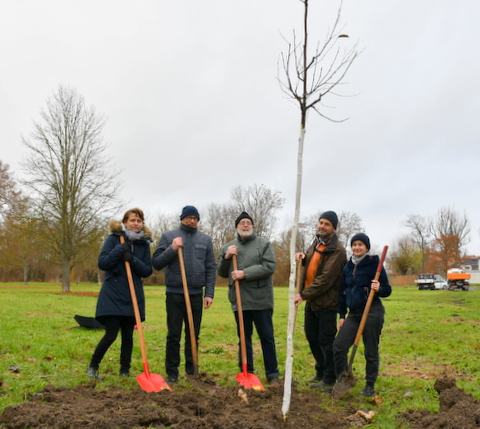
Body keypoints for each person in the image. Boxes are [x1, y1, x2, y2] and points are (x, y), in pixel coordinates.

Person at [152, 205, 216, 383]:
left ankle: (192, 370)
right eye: (188, 217)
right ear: (182, 219)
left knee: (193, 334)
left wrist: (209, 293)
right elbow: (156, 263)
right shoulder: (169, 236)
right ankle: (172, 372)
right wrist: (172, 248)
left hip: (196, 294)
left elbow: (211, 267)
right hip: (174, 294)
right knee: (174, 334)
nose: (192, 220)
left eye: (195, 218)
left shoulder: (205, 240)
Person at [87, 208, 153, 378]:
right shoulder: (114, 239)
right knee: (111, 334)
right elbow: (103, 263)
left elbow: (147, 270)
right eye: (132, 220)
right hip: (113, 293)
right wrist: (119, 251)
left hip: (132, 295)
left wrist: (132, 259)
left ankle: (125, 370)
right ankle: (93, 367)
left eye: (139, 221)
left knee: (128, 336)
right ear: (125, 222)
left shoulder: (144, 244)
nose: (136, 224)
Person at [217, 211, 280, 385]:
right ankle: (247, 372)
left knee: (266, 337)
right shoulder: (229, 247)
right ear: (237, 227)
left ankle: (272, 374)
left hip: (261, 300)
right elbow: (222, 272)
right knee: (244, 338)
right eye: (242, 223)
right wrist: (226, 257)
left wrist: (244, 273)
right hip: (240, 301)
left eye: (248, 223)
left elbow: (269, 267)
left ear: (252, 226)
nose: (245, 225)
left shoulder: (264, 244)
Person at [333, 233, 391, 396]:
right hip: (354, 314)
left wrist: (378, 287)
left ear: (366, 247)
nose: (357, 247)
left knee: (370, 350)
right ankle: (343, 379)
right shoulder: (348, 267)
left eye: (360, 245)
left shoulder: (374, 264)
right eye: (354, 244)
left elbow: (387, 290)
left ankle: (369, 386)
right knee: (338, 346)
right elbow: (342, 293)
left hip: (372, 311)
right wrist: (342, 315)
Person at [294, 210, 347, 391]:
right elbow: (311, 264)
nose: (322, 226)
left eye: (327, 224)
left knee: (326, 341)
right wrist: (302, 258)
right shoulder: (316, 243)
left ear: (333, 228)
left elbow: (325, 279)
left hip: (327, 303)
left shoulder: (338, 250)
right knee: (312, 337)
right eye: (321, 223)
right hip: (312, 302)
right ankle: (321, 369)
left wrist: (303, 294)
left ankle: (329, 377)